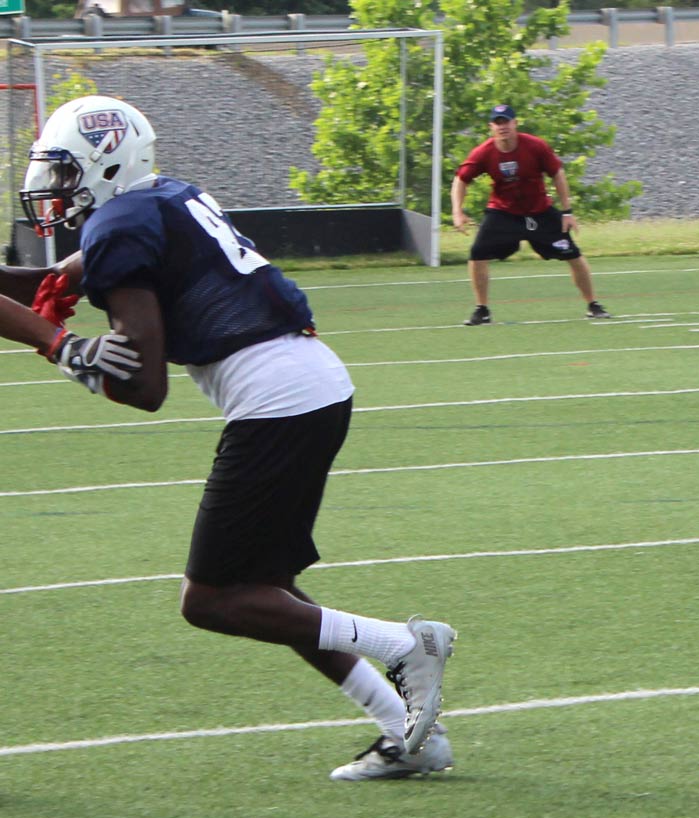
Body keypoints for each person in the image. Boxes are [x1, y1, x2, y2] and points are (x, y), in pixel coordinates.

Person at [16, 96, 459, 781]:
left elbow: (145, 387)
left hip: (279, 399)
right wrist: (63, 288)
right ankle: (410, 734)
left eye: (65, 173)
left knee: (214, 598)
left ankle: (405, 646)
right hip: (308, 383)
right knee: (267, 588)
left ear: (105, 165)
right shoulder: (164, 196)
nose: (55, 190)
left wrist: (59, 346)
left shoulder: (119, 226)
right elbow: (89, 269)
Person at [451, 104, 607, 326]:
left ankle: (593, 305)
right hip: (504, 213)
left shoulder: (535, 146)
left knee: (573, 254)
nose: (502, 126)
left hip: (539, 211)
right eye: (498, 122)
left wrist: (567, 211)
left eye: (506, 121)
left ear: (515, 123)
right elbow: (461, 179)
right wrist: (457, 211)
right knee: (477, 254)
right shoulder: (485, 151)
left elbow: (558, 174)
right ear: (491, 127)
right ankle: (482, 310)